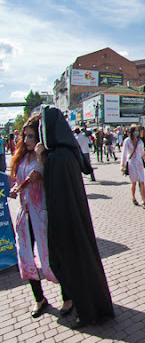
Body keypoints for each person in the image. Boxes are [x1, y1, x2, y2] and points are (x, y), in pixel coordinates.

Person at [38, 106, 114, 328]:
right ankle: (89, 309)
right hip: (74, 223)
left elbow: (53, 190)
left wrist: (42, 158)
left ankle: (87, 312)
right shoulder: (66, 152)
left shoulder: (59, 156)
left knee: (71, 267)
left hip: (67, 225)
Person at [9, 114, 73, 318]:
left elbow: (56, 182)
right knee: (26, 256)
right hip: (25, 214)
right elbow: (17, 180)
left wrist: (42, 176)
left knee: (53, 256)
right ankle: (39, 298)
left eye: (30, 136)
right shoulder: (20, 157)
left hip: (43, 214)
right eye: (24, 136)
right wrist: (15, 189)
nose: (26, 140)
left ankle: (67, 296)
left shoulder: (45, 155)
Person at [120, 125, 145, 208]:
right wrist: (122, 165)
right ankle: (133, 197)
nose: (137, 132)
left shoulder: (140, 141)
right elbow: (124, 154)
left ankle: (143, 200)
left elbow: (142, 153)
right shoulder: (127, 141)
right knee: (134, 182)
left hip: (139, 163)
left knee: (142, 181)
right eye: (136, 131)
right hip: (132, 163)